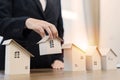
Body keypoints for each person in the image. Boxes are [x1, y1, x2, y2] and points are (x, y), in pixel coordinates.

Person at [0, 0, 64, 70]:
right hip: (14, 64)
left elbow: (59, 30)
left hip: (48, 67)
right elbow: (1, 21)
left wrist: (58, 58)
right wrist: (25, 22)